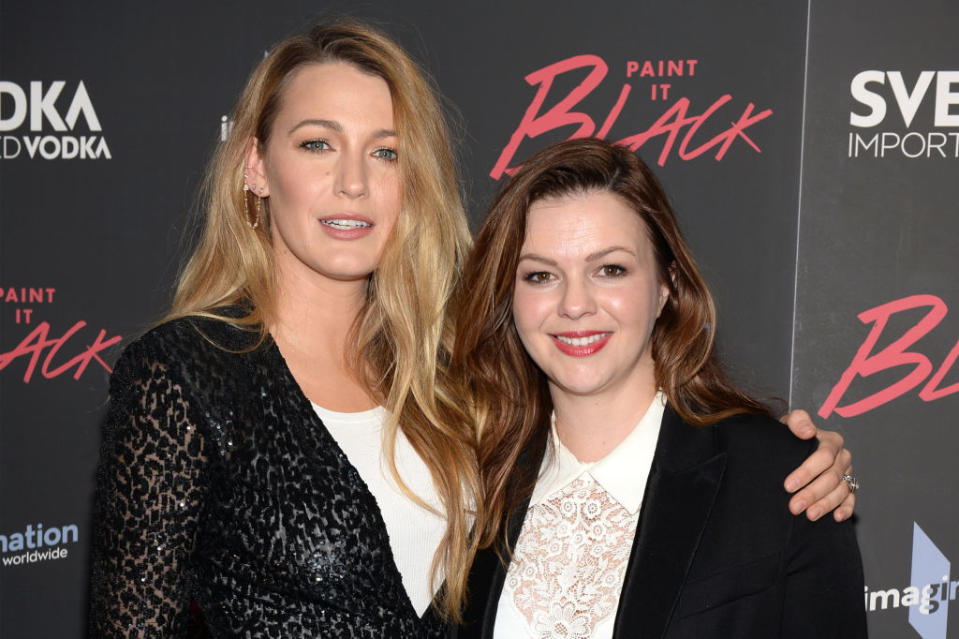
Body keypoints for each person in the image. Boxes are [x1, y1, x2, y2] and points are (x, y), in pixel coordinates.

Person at [88, 20, 855, 639]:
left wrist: (790, 460)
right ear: (256, 166)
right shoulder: (184, 374)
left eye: (383, 152)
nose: (352, 181)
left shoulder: (456, 380)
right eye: (316, 143)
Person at [452, 138, 865, 638]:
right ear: (507, 297)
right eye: (540, 275)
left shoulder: (785, 478)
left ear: (666, 285)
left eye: (610, 270)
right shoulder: (466, 475)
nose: (575, 304)